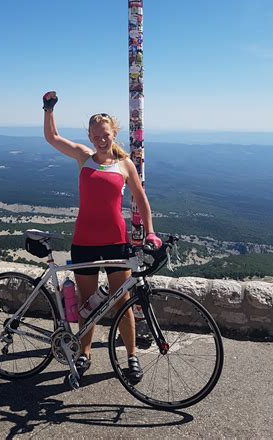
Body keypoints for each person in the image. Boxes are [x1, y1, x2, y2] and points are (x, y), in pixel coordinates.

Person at [42, 90, 162, 383]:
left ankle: (131, 357)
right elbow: (53, 138)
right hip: (84, 242)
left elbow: (141, 200)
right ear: (90, 135)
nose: (100, 138)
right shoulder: (84, 157)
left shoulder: (124, 165)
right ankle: (84, 354)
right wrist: (48, 109)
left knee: (123, 302)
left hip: (115, 243)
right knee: (88, 303)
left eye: (105, 133)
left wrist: (151, 232)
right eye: (95, 134)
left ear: (113, 133)